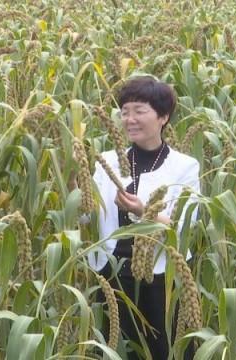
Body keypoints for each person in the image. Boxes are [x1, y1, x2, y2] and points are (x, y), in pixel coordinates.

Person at [89, 76, 200, 359]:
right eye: (124, 112)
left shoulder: (184, 167)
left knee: (164, 351)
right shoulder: (106, 161)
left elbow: (183, 228)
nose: (129, 119)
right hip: (111, 275)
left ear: (163, 117)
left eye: (139, 111)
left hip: (161, 281)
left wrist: (143, 212)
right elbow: (87, 219)